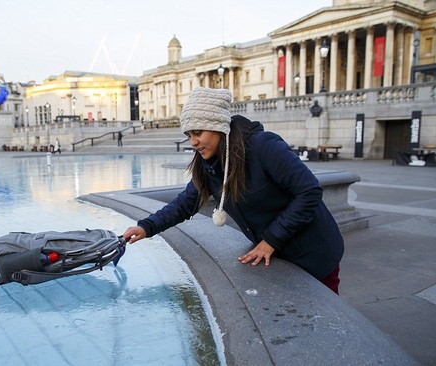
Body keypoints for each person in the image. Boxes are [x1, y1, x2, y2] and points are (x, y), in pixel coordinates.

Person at [123, 87, 344, 294]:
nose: (193, 142)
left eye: (198, 132)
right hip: (275, 252)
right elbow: (185, 203)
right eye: (189, 134)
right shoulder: (208, 163)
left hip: (313, 251)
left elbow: (310, 192)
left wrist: (270, 241)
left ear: (218, 125)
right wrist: (147, 227)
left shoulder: (263, 146)